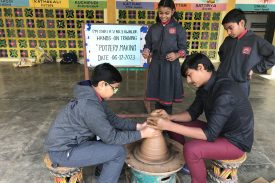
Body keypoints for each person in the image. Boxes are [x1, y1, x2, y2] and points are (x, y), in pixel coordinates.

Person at [44, 63, 160, 183]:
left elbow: (113, 119)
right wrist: (143, 134)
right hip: (63, 152)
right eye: (114, 88)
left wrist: (139, 127)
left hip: (75, 141)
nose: (115, 92)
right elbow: (112, 138)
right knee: (118, 152)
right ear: (102, 84)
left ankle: (102, 171)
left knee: (115, 134)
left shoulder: (93, 96)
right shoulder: (89, 106)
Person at [147, 53, 254, 183]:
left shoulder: (225, 92)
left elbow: (209, 134)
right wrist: (169, 117)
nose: (188, 81)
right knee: (173, 122)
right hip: (219, 130)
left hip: (235, 142)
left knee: (191, 149)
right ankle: (188, 162)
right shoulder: (206, 86)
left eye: (189, 75)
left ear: (201, 67)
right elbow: (192, 113)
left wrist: (167, 125)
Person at [142, 0, 187, 115]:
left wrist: (176, 55)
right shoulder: (153, 28)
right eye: (161, 13)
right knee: (157, 94)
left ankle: (167, 123)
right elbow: (148, 45)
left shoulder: (178, 28)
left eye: (167, 13)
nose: (163, 16)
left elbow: (184, 50)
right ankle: (158, 122)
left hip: (170, 66)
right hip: (156, 64)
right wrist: (147, 50)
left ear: (172, 11)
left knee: (167, 95)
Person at [217, 8, 275, 96]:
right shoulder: (228, 40)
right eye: (226, 29)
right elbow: (221, 53)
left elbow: (273, 54)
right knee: (219, 107)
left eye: (230, 28)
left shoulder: (255, 41)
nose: (228, 32)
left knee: (239, 109)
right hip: (222, 81)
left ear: (241, 23)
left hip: (240, 85)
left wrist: (256, 68)